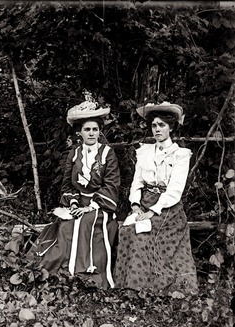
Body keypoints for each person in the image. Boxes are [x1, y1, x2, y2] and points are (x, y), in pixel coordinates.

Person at [28, 99, 120, 289]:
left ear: (100, 130)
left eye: (95, 129)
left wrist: (89, 206)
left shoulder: (107, 153)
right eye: (87, 129)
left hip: (100, 204)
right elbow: (67, 185)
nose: (92, 133)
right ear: (80, 132)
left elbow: (111, 184)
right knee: (66, 225)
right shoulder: (75, 153)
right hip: (77, 203)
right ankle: (60, 271)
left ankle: (85, 273)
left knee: (86, 222)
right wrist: (74, 205)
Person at [114, 101, 198, 295]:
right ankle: (127, 284)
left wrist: (152, 212)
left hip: (168, 208)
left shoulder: (180, 155)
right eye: (154, 125)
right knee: (127, 229)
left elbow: (175, 191)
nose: (157, 129)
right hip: (144, 202)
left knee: (143, 232)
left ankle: (146, 286)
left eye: (162, 125)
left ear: (171, 127)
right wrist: (135, 205)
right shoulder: (145, 152)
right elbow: (137, 182)